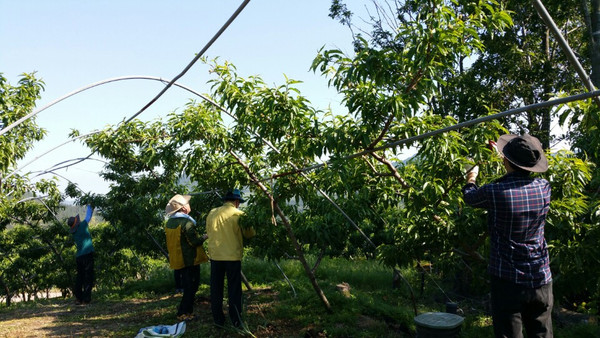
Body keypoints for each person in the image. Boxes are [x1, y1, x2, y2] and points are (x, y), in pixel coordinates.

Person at [462, 134, 553, 338]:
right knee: (542, 333)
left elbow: (470, 197)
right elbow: (516, 179)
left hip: (507, 280)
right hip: (540, 278)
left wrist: (471, 176)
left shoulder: (495, 191)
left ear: (506, 161)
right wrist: (506, 157)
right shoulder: (544, 188)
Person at [206, 189, 255, 328]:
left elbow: (209, 232)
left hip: (215, 256)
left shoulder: (212, 213)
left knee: (216, 288)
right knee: (234, 289)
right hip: (232, 256)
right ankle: (236, 320)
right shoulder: (239, 214)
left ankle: (218, 320)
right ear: (237, 202)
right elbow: (249, 234)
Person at [164, 194, 209, 321]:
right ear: (183, 208)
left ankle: (186, 311)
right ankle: (183, 313)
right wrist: (205, 237)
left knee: (188, 286)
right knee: (191, 287)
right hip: (190, 259)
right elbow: (194, 242)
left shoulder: (170, 222)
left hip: (178, 259)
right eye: (187, 204)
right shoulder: (186, 223)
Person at [68, 204, 95, 305]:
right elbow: (88, 216)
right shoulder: (83, 225)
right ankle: (86, 299)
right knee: (88, 277)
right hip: (87, 255)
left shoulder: (74, 233)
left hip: (79, 257)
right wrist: (90, 206)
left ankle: (79, 298)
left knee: (80, 277)